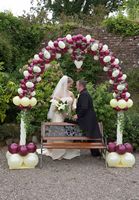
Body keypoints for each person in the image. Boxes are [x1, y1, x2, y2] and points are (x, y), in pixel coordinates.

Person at [47, 75, 80, 160]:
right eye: (70, 84)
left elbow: (73, 106)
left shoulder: (71, 93)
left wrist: (76, 104)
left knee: (67, 132)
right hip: (58, 115)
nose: (71, 86)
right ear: (66, 83)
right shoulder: (57, 93)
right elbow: (54, 106)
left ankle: (66, 149)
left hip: (67, 116)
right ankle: (58, 153)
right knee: (59, 132)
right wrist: (61, 110)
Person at [74, 80, 102, 157]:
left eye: (76, 85)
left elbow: (84, 108)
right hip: (88, 118)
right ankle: (95, 153)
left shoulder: (84, 95)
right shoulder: (84, 93)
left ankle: (96, 153)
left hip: (87, 119)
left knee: (91, 136)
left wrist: (78, 115)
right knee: (91, 136)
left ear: (80, 86)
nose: (75, 86)